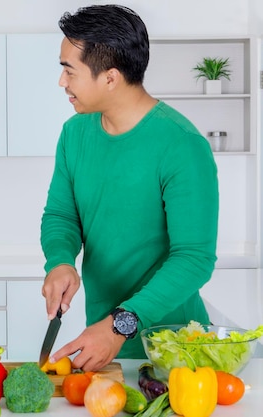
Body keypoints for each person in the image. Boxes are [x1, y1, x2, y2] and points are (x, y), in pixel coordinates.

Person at [41, 4, 219, 371]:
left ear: (110, 78)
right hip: (105, 346)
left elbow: (194, 259)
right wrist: (60, 261)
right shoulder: (75, 133)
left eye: (68, 71)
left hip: (176, 350)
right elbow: (62, 214)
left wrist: (121, 325)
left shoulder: (181, 145)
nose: (62, 83)